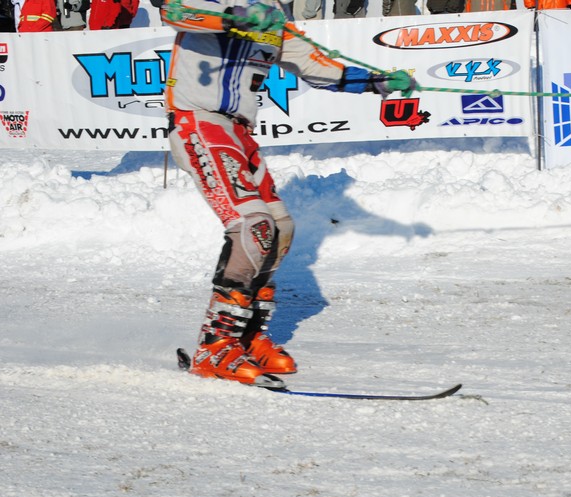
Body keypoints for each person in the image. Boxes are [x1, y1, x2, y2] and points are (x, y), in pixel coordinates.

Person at [160, 0, 417, 385]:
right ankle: (214, 347)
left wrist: (377, 82)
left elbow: (318, 67)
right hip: (198, 122)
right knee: (253, 226)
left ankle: (247, 338)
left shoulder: (274, 17)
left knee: (280, 229)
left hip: (237, 131)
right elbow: (174, 12)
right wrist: (234, 17)